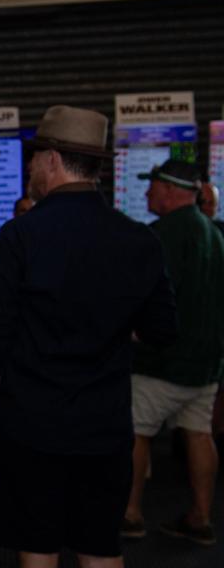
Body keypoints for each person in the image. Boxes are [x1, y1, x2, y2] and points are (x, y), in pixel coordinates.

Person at [0, 105, 177, 568]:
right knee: (101, 547)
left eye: (34, 160)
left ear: (52, 160)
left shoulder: (22, 235)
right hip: (104, 425)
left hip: (30, 426)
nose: (31, 171)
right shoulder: (140, 239)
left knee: (37, 547)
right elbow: (164, 330)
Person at [123, 159, 224, 546]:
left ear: (169, 189)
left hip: (160, 362)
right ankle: (201, 517)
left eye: (152, 186)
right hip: (206, 365)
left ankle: (129, 513)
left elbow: (145, 298)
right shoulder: (214, 233)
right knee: (199, 434)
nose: (147, 193)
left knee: (136, 432)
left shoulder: (161, 234)